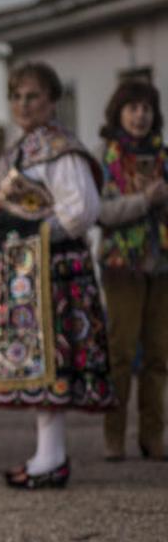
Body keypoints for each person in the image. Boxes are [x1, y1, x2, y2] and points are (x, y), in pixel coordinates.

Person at [0, 61, 114, 488]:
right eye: (16, 96)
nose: (23, 104)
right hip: (24, 277)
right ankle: (47, 456)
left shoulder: (60, 149)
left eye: (32, 96)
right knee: (38, 369)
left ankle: (52, 460)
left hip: (49, 273)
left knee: (52, 365)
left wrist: (31, 234)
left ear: (52, 100)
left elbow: (81, 211)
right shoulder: (21, 149)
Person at [95, 80, 168, 461]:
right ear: (119, 112)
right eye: (133, 107)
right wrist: (143, 200)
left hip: (161, 265)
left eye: (147, 108)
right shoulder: (105, 158)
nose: (140, 115)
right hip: (121, 267)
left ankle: (153, 436)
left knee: (159, 355)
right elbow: (102, 212)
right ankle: (114, 437)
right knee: (120, 353)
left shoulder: (163, 157)